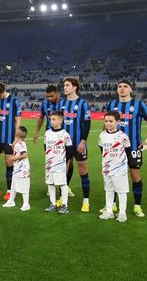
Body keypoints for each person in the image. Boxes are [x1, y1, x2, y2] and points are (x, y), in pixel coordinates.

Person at [104, 80, 147, 217]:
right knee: (113, 175)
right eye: (119, 86)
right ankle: (113, 205)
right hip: (114, 149)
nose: (122, 89)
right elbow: (107, 122)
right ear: (116, 90)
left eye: (125, 87)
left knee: (135, 175)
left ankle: (137, 206)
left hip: (133, 146)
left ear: (131, 90)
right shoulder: (111, 104)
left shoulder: (139, 104)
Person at [60, 77, 92, 212]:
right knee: (63, 170)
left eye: (67, 85)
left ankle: (86, 201)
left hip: (78, 143)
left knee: (82, 170)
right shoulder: (62, 103)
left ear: (74, 87)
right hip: (64, 144)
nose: (65, 87)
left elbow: (87, 123)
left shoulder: (83, 103)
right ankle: (62, 197)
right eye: (64, 85)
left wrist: (83, 141)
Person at [98, 112, 131, 223]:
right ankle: (109, 211)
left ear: (118, 122)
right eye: (106, 121)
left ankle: (122, 213)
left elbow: (128, 150)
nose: (108, 123)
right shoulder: (102, 135)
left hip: (120, 168)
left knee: (121, 191)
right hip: (107, 167)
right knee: (108, 189)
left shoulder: (123, 136)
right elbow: (102, 149)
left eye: (111, 121)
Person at [44, 111, 71, 214]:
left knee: (62, 184)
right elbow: (45, 147)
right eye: (51, 119)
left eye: (54, 119)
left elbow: (69, 149)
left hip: (60, 164)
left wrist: (64, 161)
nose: (51, 121)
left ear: (61, 120)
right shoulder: (47, 133)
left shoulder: (65, 134)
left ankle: (65, 205)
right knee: (50, 183)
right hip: (49, 163)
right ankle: (53, 204)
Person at [2, 126, 30, 211]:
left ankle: (26, 204)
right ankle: (11, 201)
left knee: (24, 186)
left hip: (23, 169)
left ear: (17, 133)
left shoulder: (20, 144)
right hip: (17, 167)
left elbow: (24, 155)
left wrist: (13, 158)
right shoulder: (18, 143)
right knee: (13, 185)